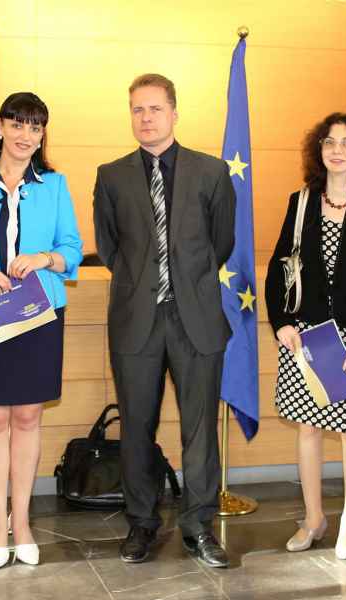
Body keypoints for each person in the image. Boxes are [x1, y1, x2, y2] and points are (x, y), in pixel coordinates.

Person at [93, 73, 236, 568]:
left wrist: (183, 282)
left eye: (155, 108)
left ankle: (199, 527)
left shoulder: (211, 171)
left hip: (196, 318)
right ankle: (141, 524)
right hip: (136, 320)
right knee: (136, 427)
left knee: (200, 429)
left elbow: (222, 243)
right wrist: (147, 284)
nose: (146, 118)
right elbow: (110, 248)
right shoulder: (111, 176)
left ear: (174, 113)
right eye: (137, 109)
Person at [0, 92, 83, 570]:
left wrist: (44, 258)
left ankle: (22, 523)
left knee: (27, 416)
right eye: (18, 124)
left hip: (38, 313)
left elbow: (73, 249)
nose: (26, 135)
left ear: (43, 135)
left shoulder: (54, 185)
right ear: (1, 127)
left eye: (36, 127)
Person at [265, 112, 346, 560]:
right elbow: (279, 266)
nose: (336, 150)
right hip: (306, 337)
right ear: (318, 150)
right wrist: (281, 322)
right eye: (328, 141)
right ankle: (313, 519)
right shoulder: (301, 201)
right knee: (307, 428)